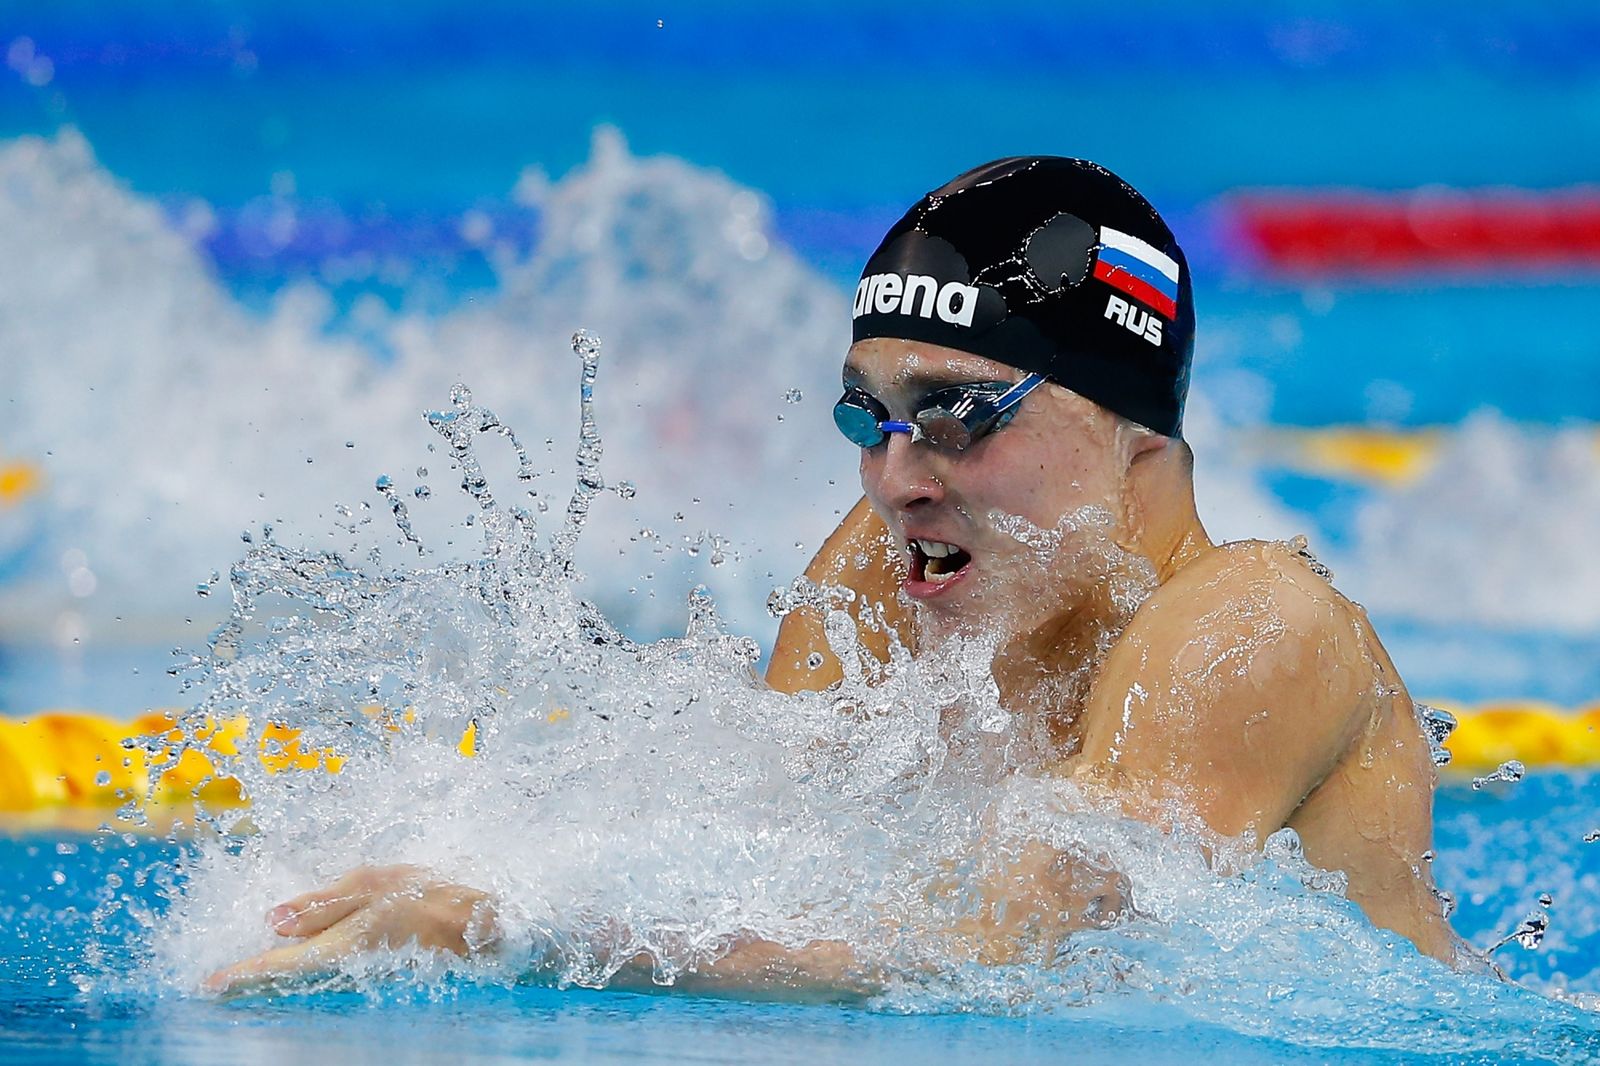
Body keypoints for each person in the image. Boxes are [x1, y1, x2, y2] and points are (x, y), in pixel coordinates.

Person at [205, 156, 1460, 995]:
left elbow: (1011, 962)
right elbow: (751, 852)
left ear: (1132, 432)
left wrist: (512, 929)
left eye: (957, 414)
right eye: (870, 416)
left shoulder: (1255, 622)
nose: (897, 479)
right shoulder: (896, 569)